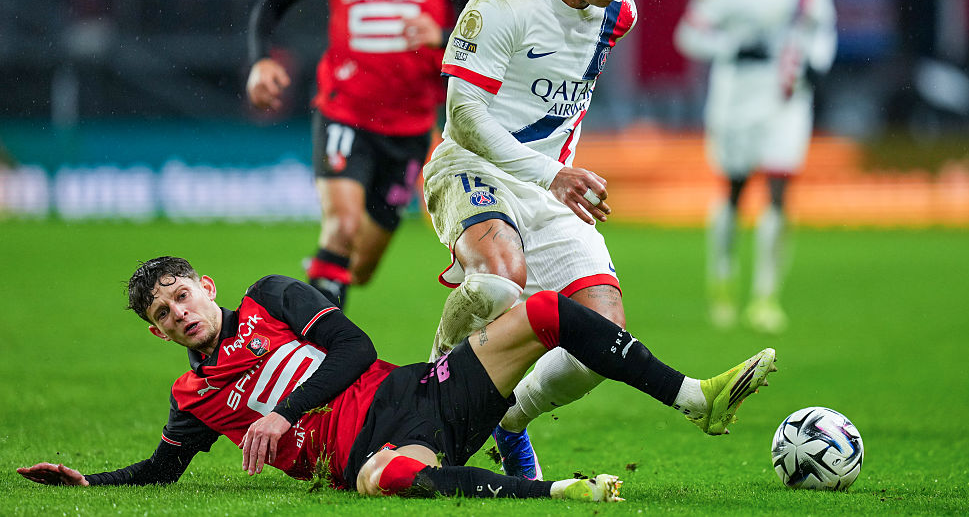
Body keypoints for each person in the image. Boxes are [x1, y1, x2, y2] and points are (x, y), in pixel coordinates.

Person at [17, 256, 777, 501]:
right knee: (390, 477)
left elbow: (352, 348)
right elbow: (160, 470)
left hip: (420, 390)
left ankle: (696, 398)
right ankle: (559, 492)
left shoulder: (272, 295)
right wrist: (89, 480)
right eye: (163, 310)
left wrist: (283, 411)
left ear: (207, 287)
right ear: (157, 332)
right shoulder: (194, 399)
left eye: (182, 293)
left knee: (545, 309)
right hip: (368, 456)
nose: (179, 311)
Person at [419, 0, 659, 480]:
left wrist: (553, 176)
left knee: (602, 341)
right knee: (500, 283)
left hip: (550, 186)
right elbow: (464, 115)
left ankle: (510, 422)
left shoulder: (617, 14)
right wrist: (553, 172)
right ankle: (428, 398)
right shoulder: (503, 1)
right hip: (471, 167)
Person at [245, 0, 484, 310]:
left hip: (412, 126)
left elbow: (488, 20)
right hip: (344, 113)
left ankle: (318, 287)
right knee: (342, 227)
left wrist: (441, 32)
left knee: (361, 266)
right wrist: (260, 61)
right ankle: (311, 354)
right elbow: (270, 6)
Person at [673, 0, 837, 334]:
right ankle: (723, 283)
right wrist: (730, 46)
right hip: (736, 97)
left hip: (786, 97)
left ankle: (767, 296)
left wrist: (816, 63)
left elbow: (823, 32)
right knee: (735, 189)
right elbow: (688, 35)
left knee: (780, 190)